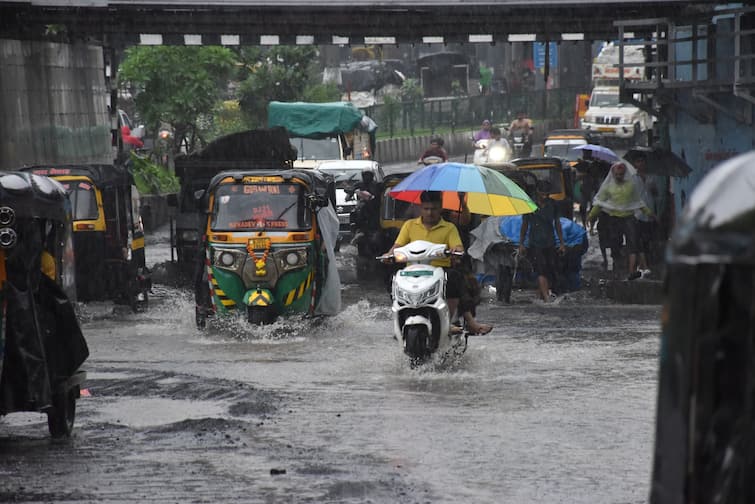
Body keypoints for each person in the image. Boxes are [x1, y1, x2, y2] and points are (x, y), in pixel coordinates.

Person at [385, 191, 493, 335]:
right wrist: (388, 254)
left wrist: (456, 251)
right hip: (412, 271)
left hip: (440, 271)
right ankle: (400, 319)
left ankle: (450, 321)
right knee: (392, 279)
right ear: (420, 208)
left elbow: (458, 246)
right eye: (426, 209)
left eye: (434, 209)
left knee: (455, 279)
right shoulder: (409, 225)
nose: (430, 213)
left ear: (441, 208)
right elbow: (396, 247)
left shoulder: (449, 228)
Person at [588, 161, 653, 280]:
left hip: (629, 218)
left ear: (624, 174)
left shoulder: (630, 185)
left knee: (633, 243)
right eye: (617, 174)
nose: (619, 177)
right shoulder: (607, 188)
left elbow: (638, 202)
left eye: (621, 174)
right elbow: (599, 203)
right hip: (614, 219)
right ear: (612, 174)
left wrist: (649, 213)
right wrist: (591, 216)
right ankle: (617, 266)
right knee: (615, 244)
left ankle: (631, 270)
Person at [518, 181, 566, 302]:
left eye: (547, 194)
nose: (545, 197)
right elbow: (524, 225)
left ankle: (541, 295)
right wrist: (521, 244)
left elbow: (558, 224)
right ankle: (546, 298)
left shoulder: (553, 205)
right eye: (542, 194)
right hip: (535, 243)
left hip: (550, 242)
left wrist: (561, 243)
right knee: (541, 269)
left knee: (550, 269)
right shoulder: (530, 205)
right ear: (537, 192)